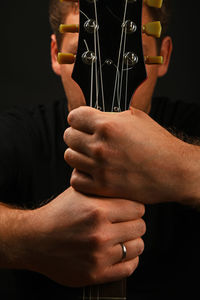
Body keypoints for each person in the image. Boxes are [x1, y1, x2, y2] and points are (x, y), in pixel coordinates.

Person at [0, 0, 199, 299]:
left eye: (133, 56)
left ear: (164, 55)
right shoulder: (20, 133)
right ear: (57, 55)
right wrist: (29, 239)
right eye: (86, 54)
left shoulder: (191, 128)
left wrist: (184, 168)